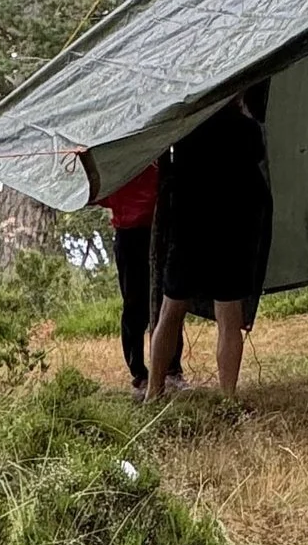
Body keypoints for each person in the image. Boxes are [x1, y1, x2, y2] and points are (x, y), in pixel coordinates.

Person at [149, 88, 273, 402]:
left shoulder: (186, 127)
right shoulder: (246, 130)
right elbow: (256, 160)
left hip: (189, 228)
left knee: (170, 311)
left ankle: (154, 392)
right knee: (229, 317)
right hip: (230, 231)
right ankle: (227, 398)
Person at [92, 159, 165, 394]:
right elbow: (97, 193)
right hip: (130, 234)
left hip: (159, 231)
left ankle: (170, 369)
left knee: (167, 303)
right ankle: (139, 373)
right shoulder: (118, 161)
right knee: (135, 304)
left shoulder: (159, 160)